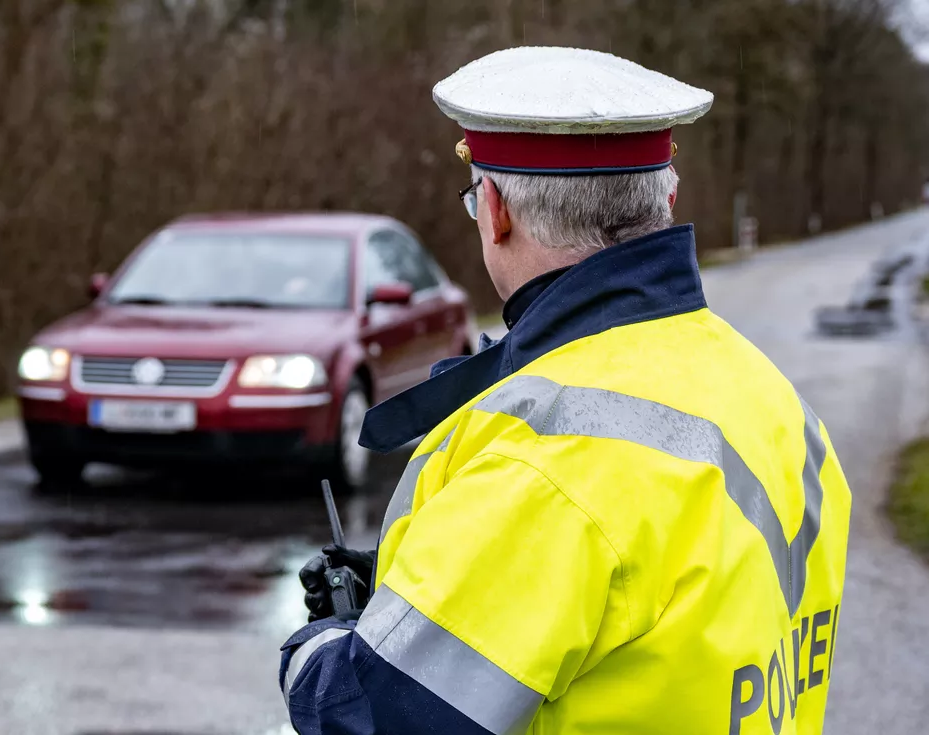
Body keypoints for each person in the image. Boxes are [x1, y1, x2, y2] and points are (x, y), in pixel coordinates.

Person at [282, 47, 851, 735]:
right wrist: (431, 581)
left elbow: (370, 717)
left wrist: (321, 643)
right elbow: (671, 589)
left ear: (493, 211)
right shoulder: (769, 394)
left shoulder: (541, 454)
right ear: (666, 197)